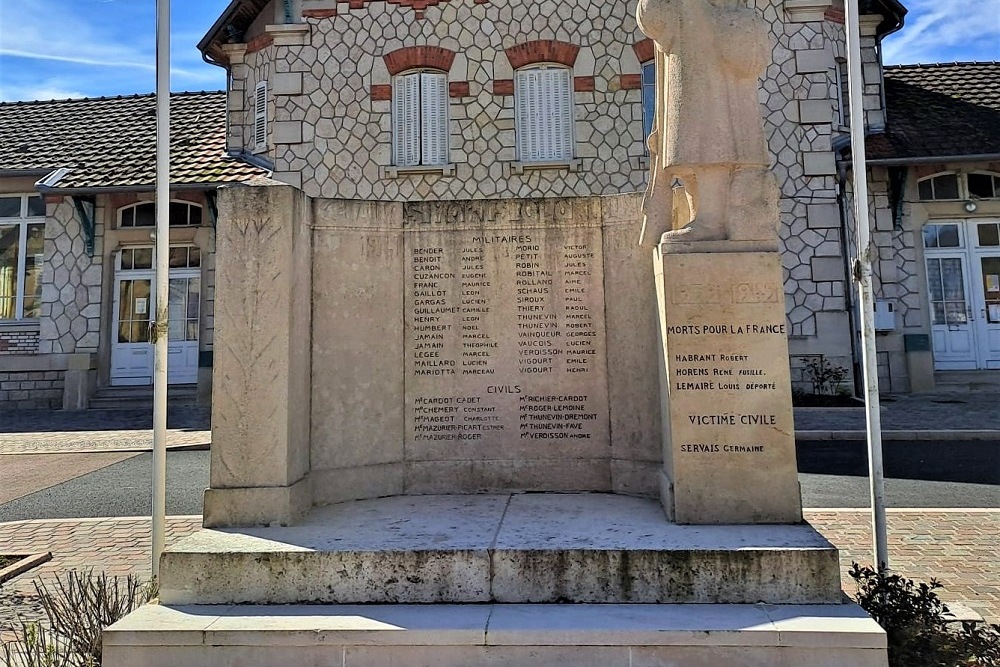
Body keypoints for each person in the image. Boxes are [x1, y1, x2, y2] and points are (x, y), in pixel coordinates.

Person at [637, 0, 779, 246]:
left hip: (713, 64)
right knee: (693, 147)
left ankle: (711, 221)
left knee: (709, 139)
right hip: (690, 58)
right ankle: (701, 216)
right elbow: (654, 21)